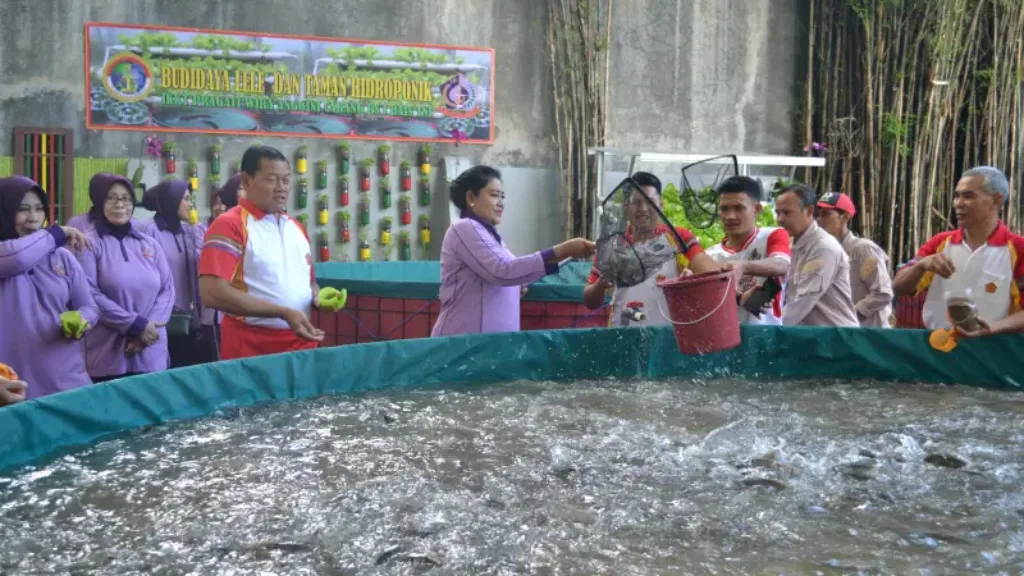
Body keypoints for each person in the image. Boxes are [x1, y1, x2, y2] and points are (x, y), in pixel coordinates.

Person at [431, 165, 595, 336]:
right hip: (463, 343)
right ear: (471, 197)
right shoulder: (464, 228)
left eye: (503, 197)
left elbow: (512, 273)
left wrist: (567, 255)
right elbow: (503, 271)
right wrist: (562, 250)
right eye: (494, 195)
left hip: (490, 345)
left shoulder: (493, 237)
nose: (501, 203)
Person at [199, 146, 326, 360]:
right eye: (271, 180)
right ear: (247, 181)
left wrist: (318, 296)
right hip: (252, 346)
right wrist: (283, 312)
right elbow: (212, 292)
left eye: (286, 180)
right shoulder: (230, 225)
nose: (281, 188)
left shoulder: (296, 227)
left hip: (302, 342)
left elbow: (310, 282)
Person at [0, 176, 98, 398]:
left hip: (65, 377)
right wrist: (57, 233)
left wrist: (82, 320)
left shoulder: (62, 257)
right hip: (12, 384)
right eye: (23, 210)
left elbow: (89, 306)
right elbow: (17, 258)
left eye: (39, 209)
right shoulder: (6, 254)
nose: (33, 218)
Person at [893, 166, 1024, 330]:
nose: (958, 204)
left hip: (995, 348)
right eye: (957, 196)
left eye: (968, 196)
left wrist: (990, 328)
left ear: (996, 200)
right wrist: (921, 266)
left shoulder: (1018, 249)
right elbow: (898, 287)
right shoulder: (940, 242)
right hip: (939, 347)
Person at [583, 171, 720, 326]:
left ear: (661, 204)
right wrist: (601, 284)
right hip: (621, 333)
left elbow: (710, 274)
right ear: (625, 207)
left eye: (650, 201)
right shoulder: (612, 245)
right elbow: (590, 302)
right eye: (636, 202)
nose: (643, 208)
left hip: (669, 336)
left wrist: (689, 281)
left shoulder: (678, 237)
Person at [78, 173, 175, 382]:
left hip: (151, 351)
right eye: (111, 198)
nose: (120, 204)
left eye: (126, 198)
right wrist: (133, 325)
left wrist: (147, 328)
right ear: (99, 201)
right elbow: (89, 293)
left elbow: (167, 289)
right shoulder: (88, 243)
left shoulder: (148, 243)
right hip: (108, 357)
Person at [141, 179, 213, 368]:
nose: (190, 204)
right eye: (186, 199)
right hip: (162, 318)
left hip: (188, 318)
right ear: (172, 200)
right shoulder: (151, 230)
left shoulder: (187, 231)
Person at [704, 176, 791, 325]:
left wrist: (744, 266)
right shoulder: (709, 255)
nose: (730, 216)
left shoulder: (772, 236)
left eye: (739, 208)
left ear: (756, 209)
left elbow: (782, 265)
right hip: (724, 341)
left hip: (768, 340)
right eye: (724, 209)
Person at [774, 183, 859, 327]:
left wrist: (767, 330)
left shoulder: (823, 248)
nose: (780, 219)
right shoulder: (796, 244)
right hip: (816, 338)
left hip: (836, 339)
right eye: (778, 213)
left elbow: (801, 303)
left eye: (787, 213)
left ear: (809, 211)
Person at [815, 192, 893, 328]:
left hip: (868, 335)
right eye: (818, 214)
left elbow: (883, 293)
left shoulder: (863, 249)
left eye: (826, 214)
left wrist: (849, 317)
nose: (819, 220)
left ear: (845, 217)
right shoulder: (824, 252)